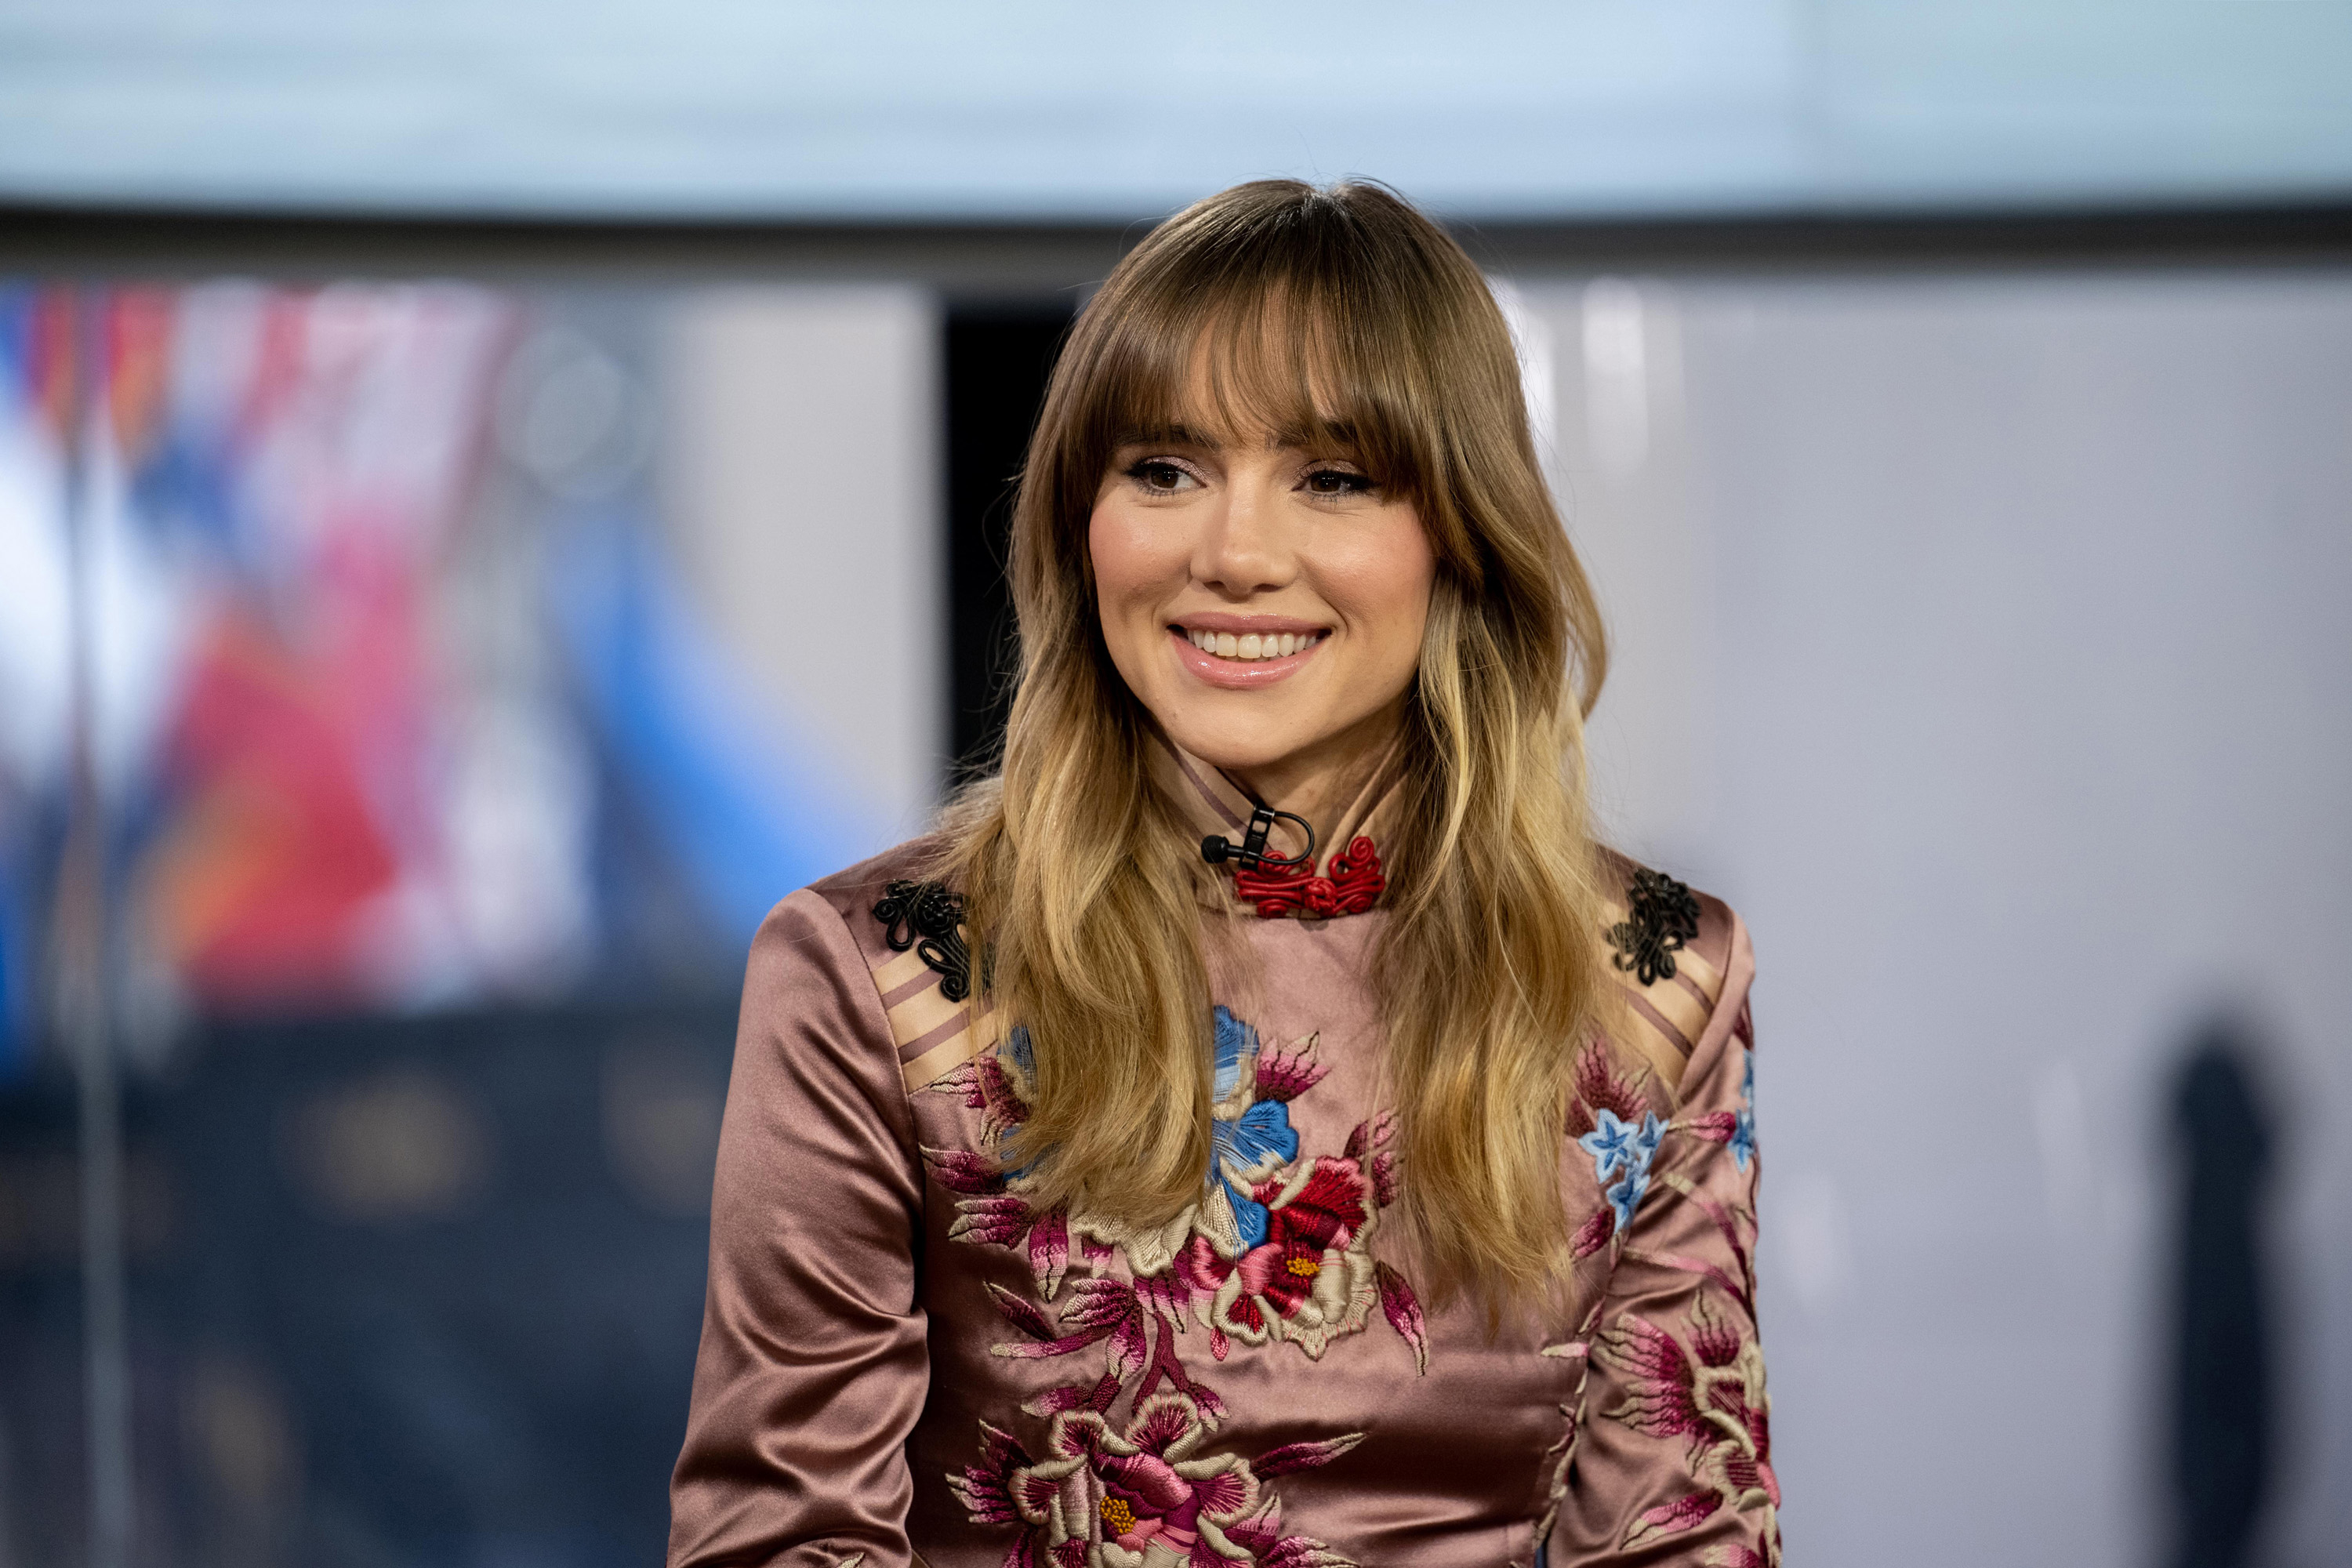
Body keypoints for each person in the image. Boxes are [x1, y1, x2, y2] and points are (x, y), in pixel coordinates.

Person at [667, 180, 1770, 1568]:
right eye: (1166, 470)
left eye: (1333, 476)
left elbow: (1685, 1538)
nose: (1235, 555)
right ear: (1083, 521)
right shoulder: (879, 976)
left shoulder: (1654, 979)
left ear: (1462, 534)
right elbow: (781, 1544)